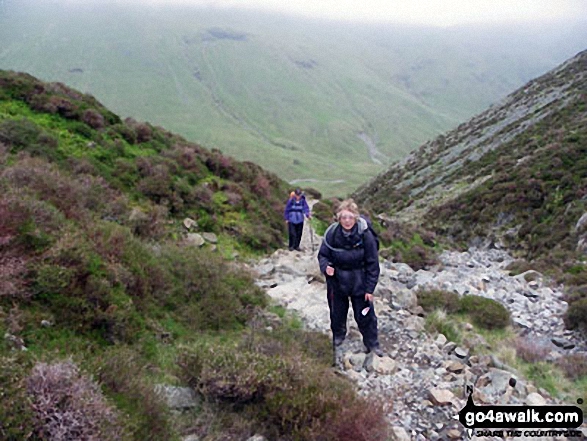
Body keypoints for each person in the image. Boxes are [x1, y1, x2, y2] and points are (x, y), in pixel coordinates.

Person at [317, 199, 383, 356]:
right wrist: (326, 267)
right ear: (339, 218)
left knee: (365, 314)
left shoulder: (365, 235)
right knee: (337, 312)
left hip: (359, 280)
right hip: (337, 281)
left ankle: (372, 343)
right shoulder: (332, 233)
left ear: (356, 217)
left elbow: (373, 264)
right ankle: (338, 335)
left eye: (350, 217)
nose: (347, 221)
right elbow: (323, 255)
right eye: (344, 217)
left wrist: (370, 288)